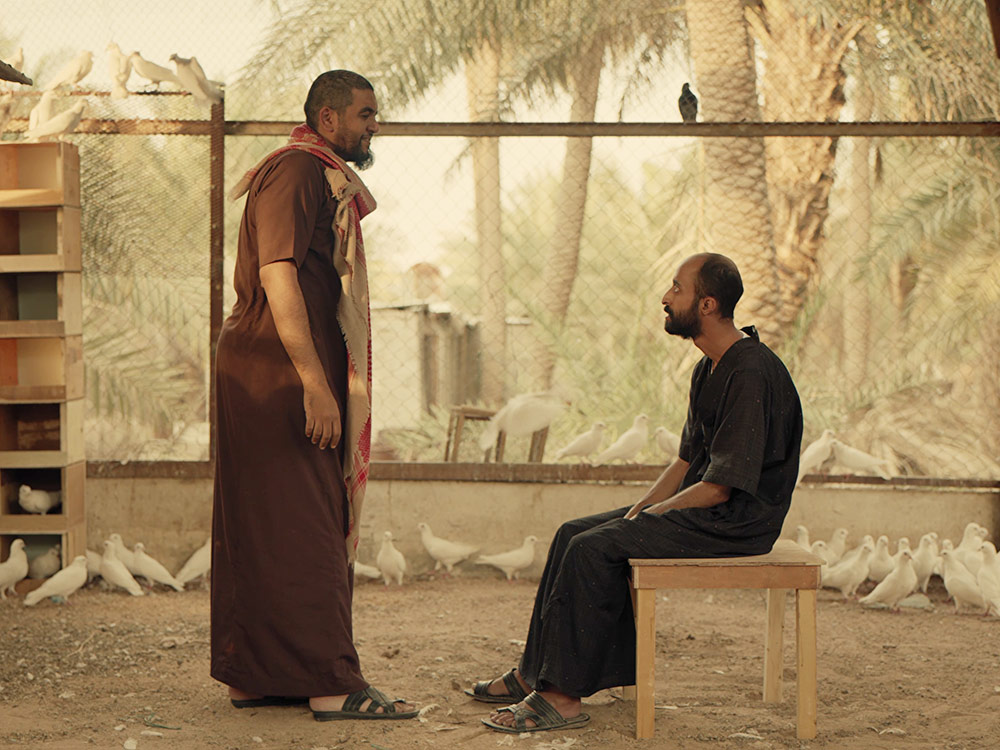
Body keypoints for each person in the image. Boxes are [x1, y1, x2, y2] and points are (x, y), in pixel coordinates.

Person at [470, 253, 803, 734]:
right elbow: (687, 462)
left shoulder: (750, 372)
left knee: (592, 548)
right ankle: (533, 673)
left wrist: (652, 517)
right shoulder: (709, 367)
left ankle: (562, 697)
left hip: (737, 522)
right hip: (704, 507)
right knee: (572, 533)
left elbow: (719, 487)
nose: (665, 298)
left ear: (707, 304)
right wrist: (642, 509)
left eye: (676, 288)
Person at [211, 70, 416, 721]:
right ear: (329, 118)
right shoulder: (299, 171)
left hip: (274, 376)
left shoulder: (313, 171)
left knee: (271, 525)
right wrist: (314, 384)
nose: (372, 124)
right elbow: (277, 273)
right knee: (310, 524)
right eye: (364, 113)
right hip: (278, 379)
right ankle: (330, 683)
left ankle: (258, 675)